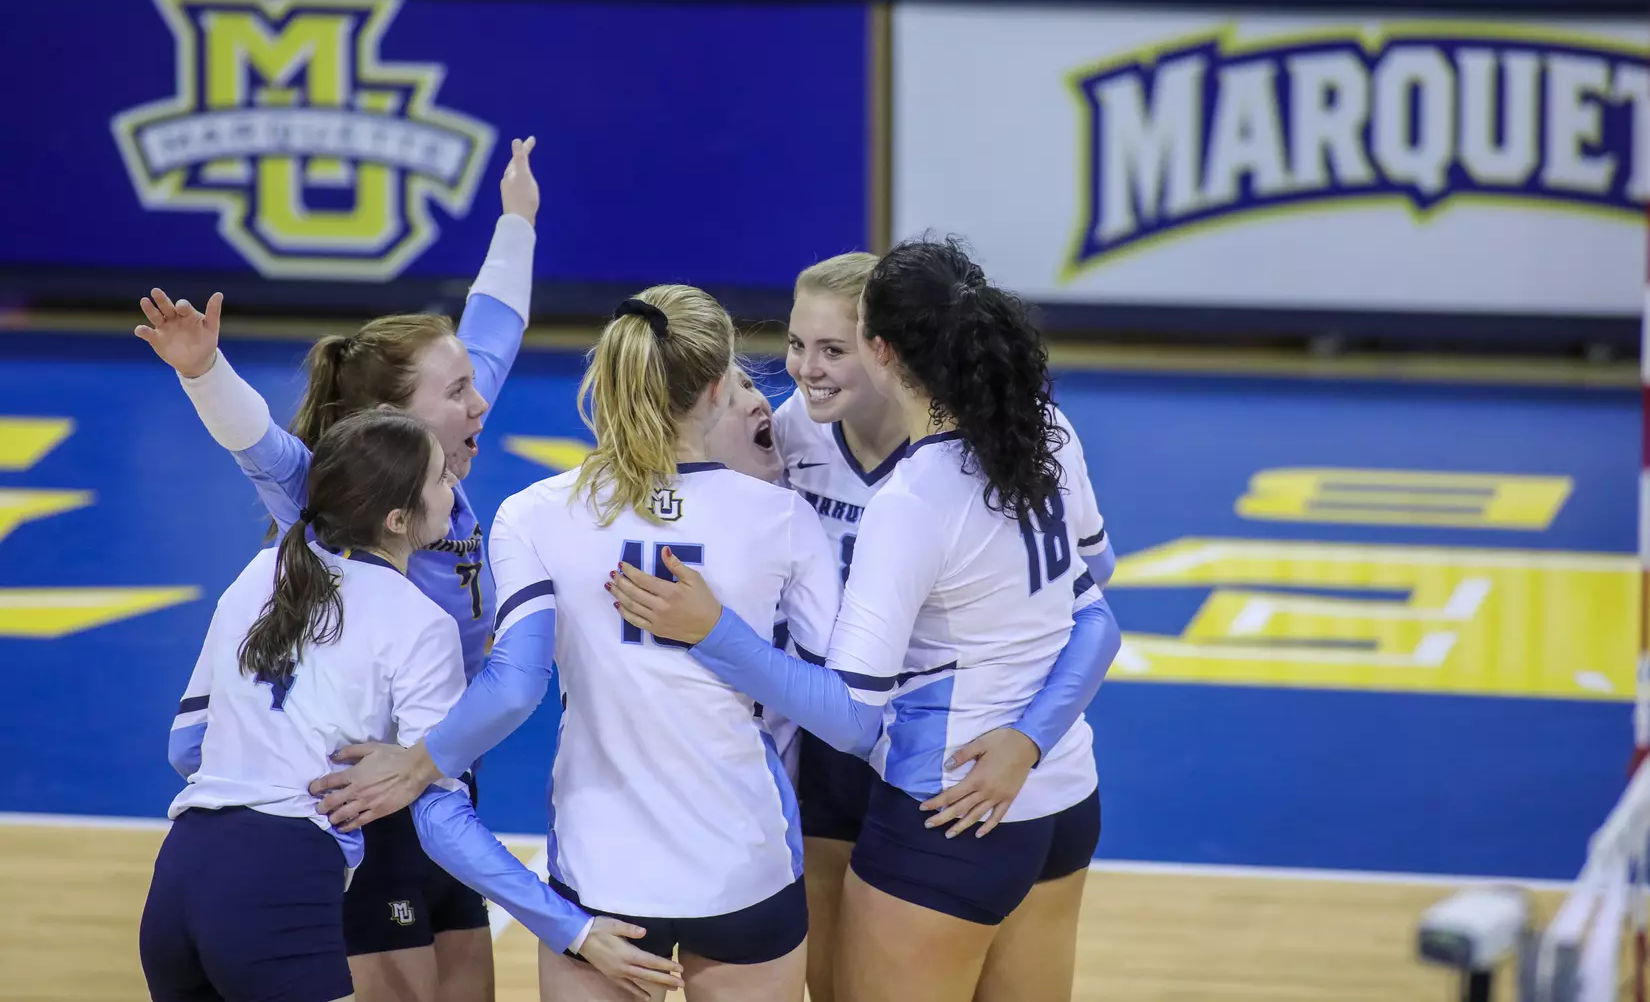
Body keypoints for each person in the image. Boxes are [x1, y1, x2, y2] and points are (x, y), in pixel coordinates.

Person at [607, 238, 1123, 1002]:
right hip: (966, 772)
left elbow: (857, 705)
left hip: (928, 770)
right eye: (794, 345)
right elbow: (1090, 598)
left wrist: (710, 630)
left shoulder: (918, 495)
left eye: (833, 348)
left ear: (883, 351)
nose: (807, 368)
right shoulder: (1029, 428)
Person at [313, 286, 842, 1002]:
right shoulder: (783, 518)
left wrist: (419, 764)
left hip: (602, 875)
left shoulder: (535, 512)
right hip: (743, 866)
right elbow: (849, 718)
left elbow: (516, 686)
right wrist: (720, 636)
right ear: (719, 387)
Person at [135, 136, 543, 1002]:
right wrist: (204, 371)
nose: (482, 402)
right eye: (459, 392)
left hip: (439, 767)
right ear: (392, 420)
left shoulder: (441, 445)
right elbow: (256, 441)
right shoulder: (325, 490)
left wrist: (517, 220)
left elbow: (495, 331)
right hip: (363, 794)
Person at [141, 411, 682, 1002]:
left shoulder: (261, 571)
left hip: (179, 873)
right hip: (280, 885)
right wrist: (575, 930)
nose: (455, 483)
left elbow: (186, 745)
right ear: (399, 520)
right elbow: (442, 824)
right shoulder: (422, 621)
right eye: (440, 478)